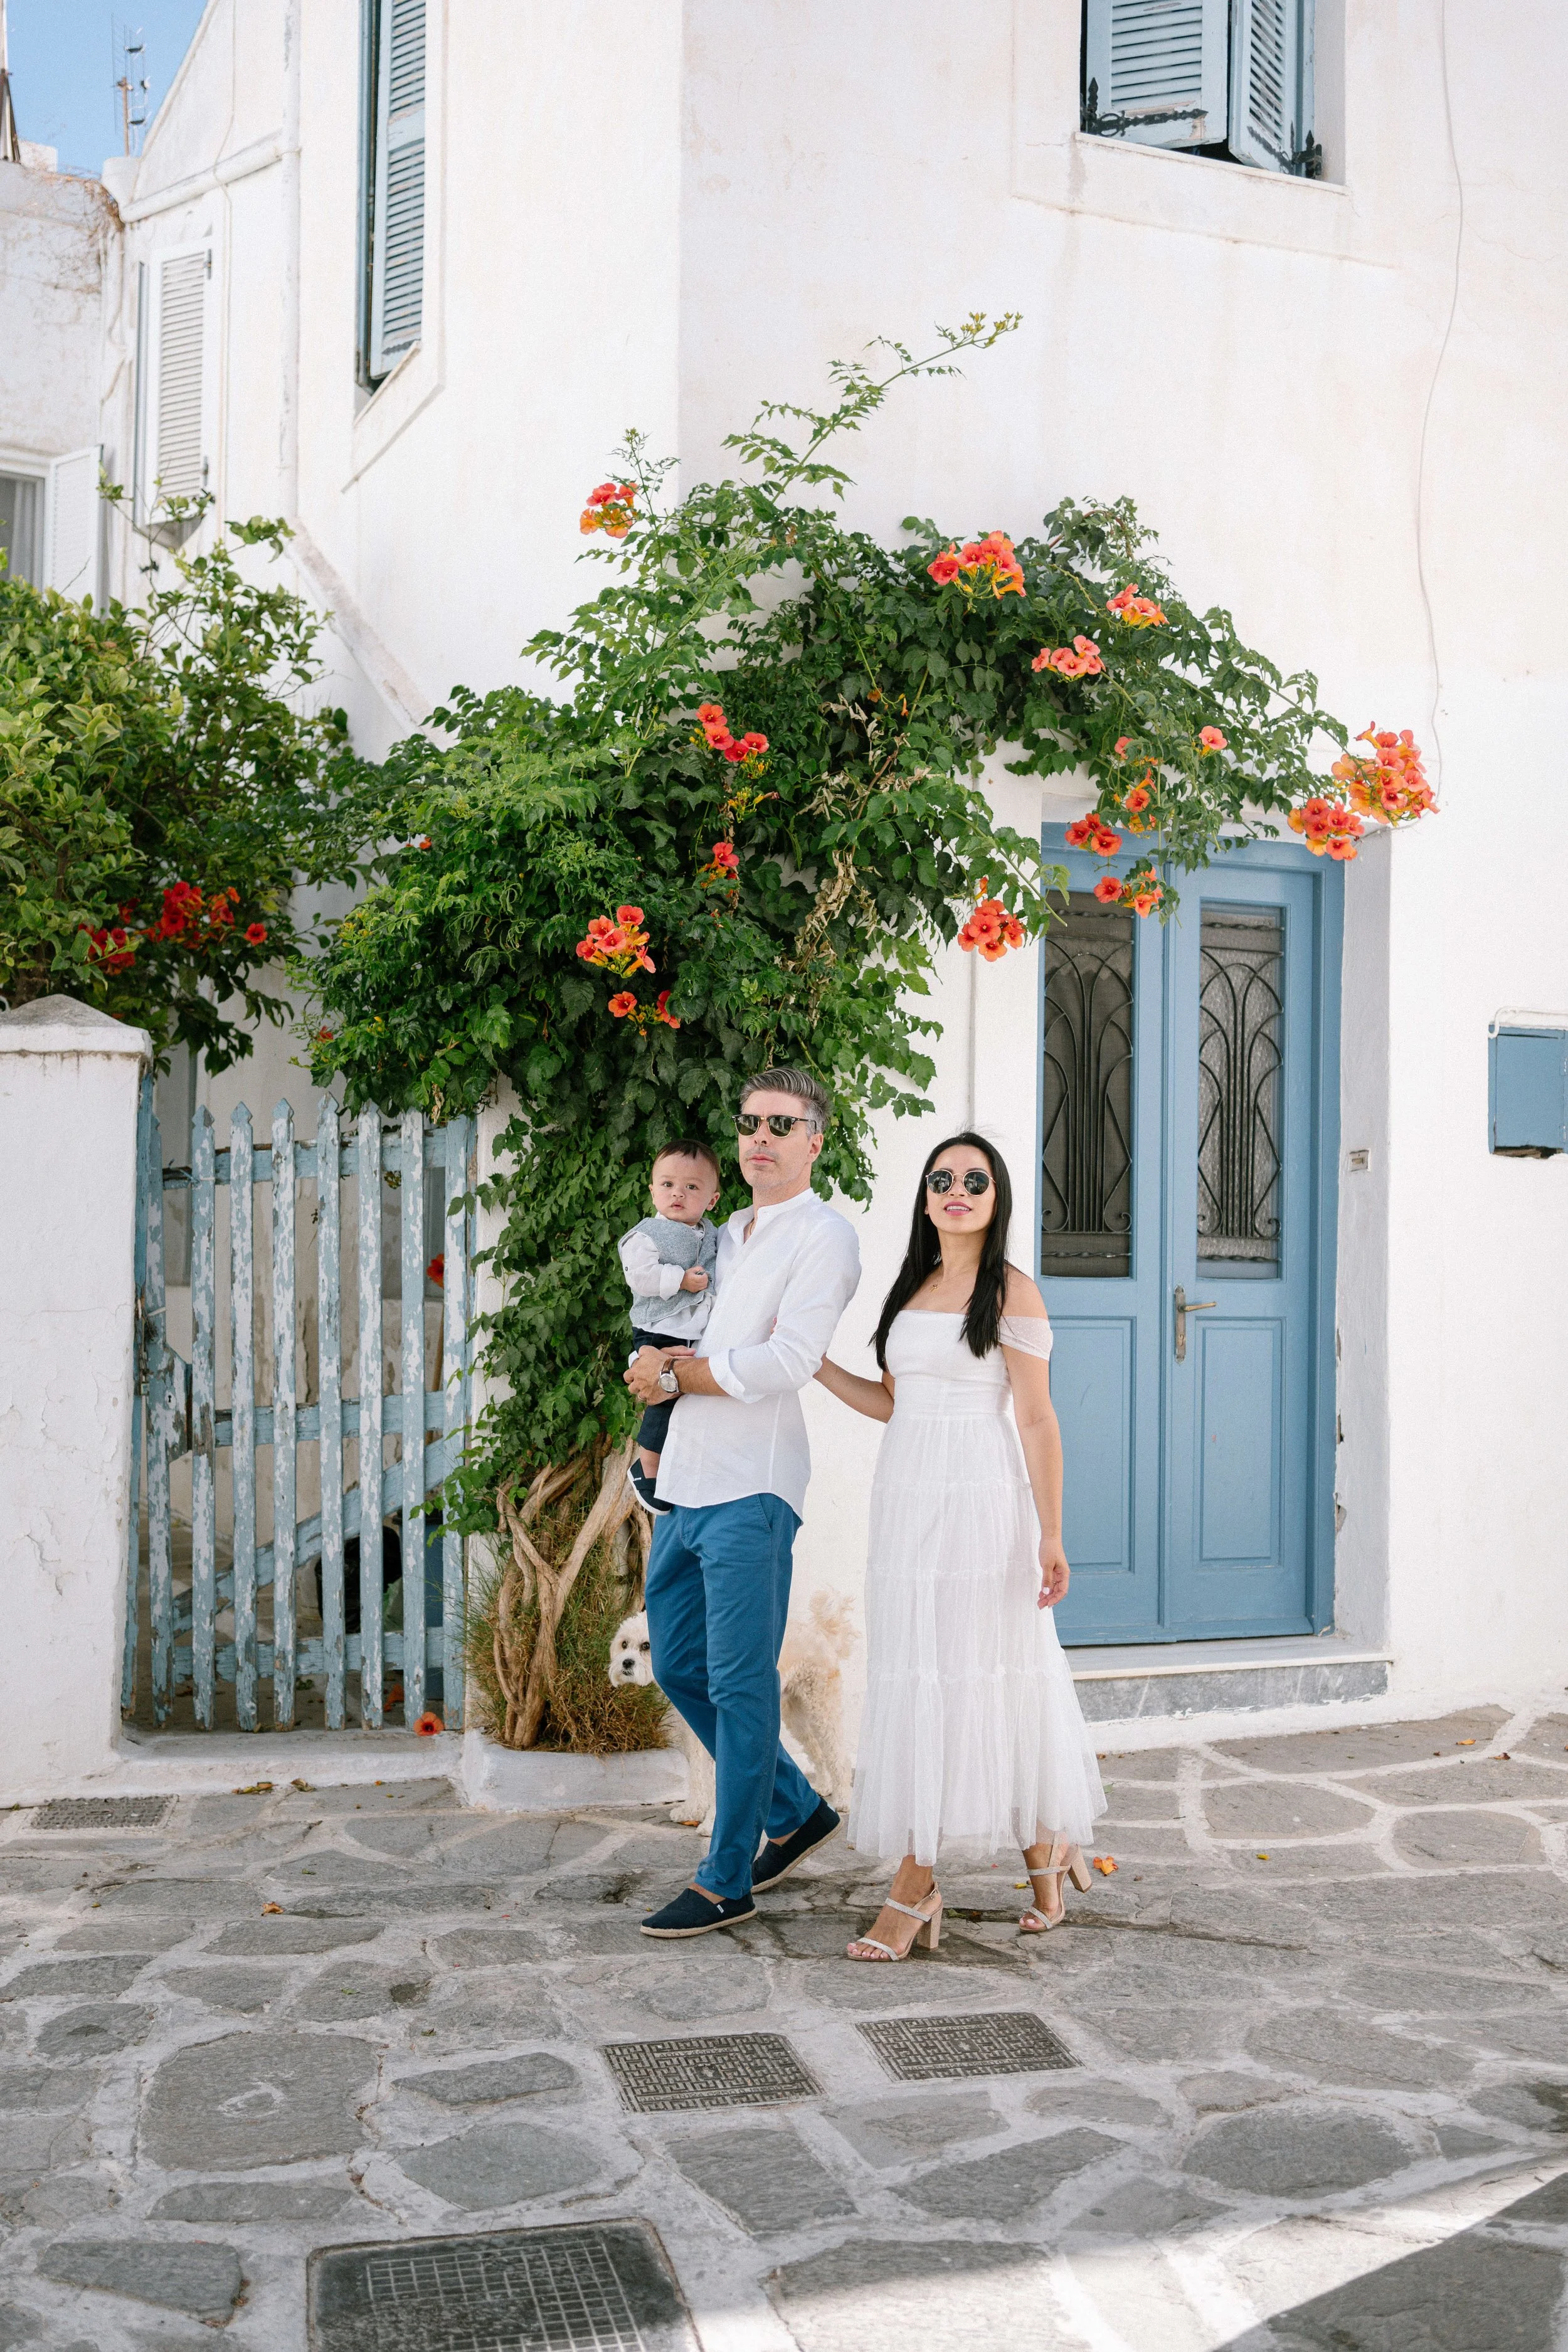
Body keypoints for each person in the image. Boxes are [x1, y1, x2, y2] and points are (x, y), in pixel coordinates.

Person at [813, 1131, 1105, 1959]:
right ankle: (1046, 1848)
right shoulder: (913, 1285)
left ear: (996, 1196)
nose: (956, 1188)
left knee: (986, 1672)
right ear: (927, 1195)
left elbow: (1038, 1417)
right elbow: (895, 1402)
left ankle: (916, 1882)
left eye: (974, 1179)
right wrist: (818, 1368)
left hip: (984, 1505)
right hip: (908, 1504)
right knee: (925, 1673)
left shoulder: (1012, 1290)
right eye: (941, 1176)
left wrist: (1052, 1532)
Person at [625, 1067, 861, 1937]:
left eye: (781, 1123)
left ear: (813, 1140)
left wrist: (676, 1374)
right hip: (685, 1476)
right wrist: (653, 1383)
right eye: (750, 1121)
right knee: (679, 1663)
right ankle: (797, 1810)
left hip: (754, 1486)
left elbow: (789, 1358)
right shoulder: (721, 1234)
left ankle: (727, 1878)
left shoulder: (825, 1237)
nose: (760, 1136)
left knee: (737, 1679)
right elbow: (679, 1324)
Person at [618, 1141, 723, 1514]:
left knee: (687, 1398)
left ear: (712, 1200)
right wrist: (681, 1280)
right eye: (667, 1184)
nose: (678, 1193)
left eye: (692, 1187)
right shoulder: (647, 1234)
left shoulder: (712, 1233)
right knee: (666, 1394)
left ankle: (674, 1461)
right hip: (659, 1329)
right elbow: (640, 1277)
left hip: (690, 1332)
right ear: (652, 1190)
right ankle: (647, 1464)